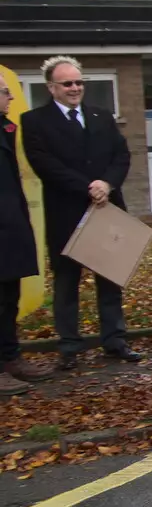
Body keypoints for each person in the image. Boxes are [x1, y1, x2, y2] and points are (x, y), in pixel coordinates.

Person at [20, 55, 139, 370]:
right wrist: (87, 186)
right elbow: (44, 165)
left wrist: (107, 184)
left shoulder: (102, 116)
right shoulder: (34, 121)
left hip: (106, 209)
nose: (75, 88)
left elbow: (121, 155)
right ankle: (70, 346)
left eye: (78, 82)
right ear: (52, 87)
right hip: (67, 213)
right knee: (67, 283)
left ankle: (114, 340)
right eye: (67, 83)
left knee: (110, 280)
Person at [0, 75, 45, 396]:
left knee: (7, 299)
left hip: (10, 228)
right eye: (5, 92)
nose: (11, 98)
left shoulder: (5, 128)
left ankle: (10, 357)